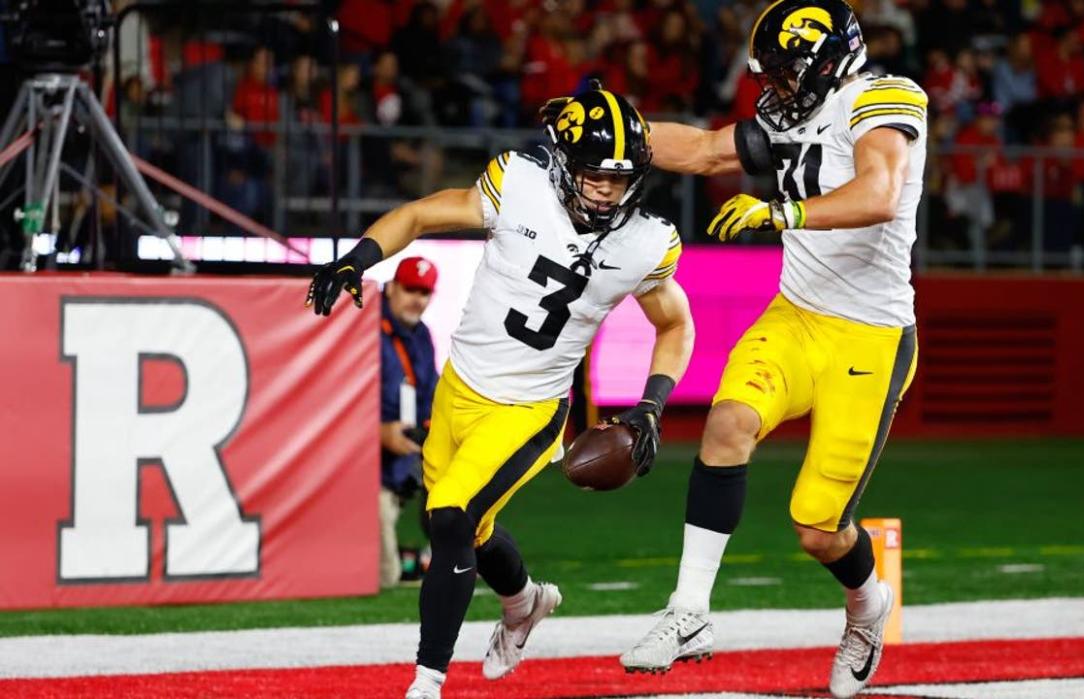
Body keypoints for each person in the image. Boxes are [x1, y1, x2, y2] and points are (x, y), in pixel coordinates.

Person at [306, 84, 695, 699]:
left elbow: (674, 322)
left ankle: (427, 681)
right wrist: (358, 258)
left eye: (619, 179)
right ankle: (524, 603)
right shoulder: (519, 184)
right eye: (594, 174)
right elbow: (418, 214)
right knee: (473, 529)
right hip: (460, 385)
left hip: (530, 408)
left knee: (450, 515)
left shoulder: (645, 241)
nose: (605, 190)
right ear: (566, 163)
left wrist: (652, 402)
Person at [594, 1, 925, 696]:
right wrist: (611, 135)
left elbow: (880, 191)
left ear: (826, 60)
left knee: (816, 527)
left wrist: (781, 212)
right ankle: (688, 611)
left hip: (869, 336)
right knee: (726, 422)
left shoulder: (886, 98)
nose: (773, 84)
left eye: (783, 70)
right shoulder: (787, 114)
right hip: (798, 315)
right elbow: (709, 149)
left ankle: (868, 604)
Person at [379, 256, 440, 588]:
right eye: (410, 289)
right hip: (365, 459)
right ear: (391, 287)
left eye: (424, 292)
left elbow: (431, 390)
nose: (417, 299)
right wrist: (374, 430)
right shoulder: (362, 326)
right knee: (383, 577)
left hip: (410, 448)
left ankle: (441, 557)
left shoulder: (422, 335)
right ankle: (403, 561)